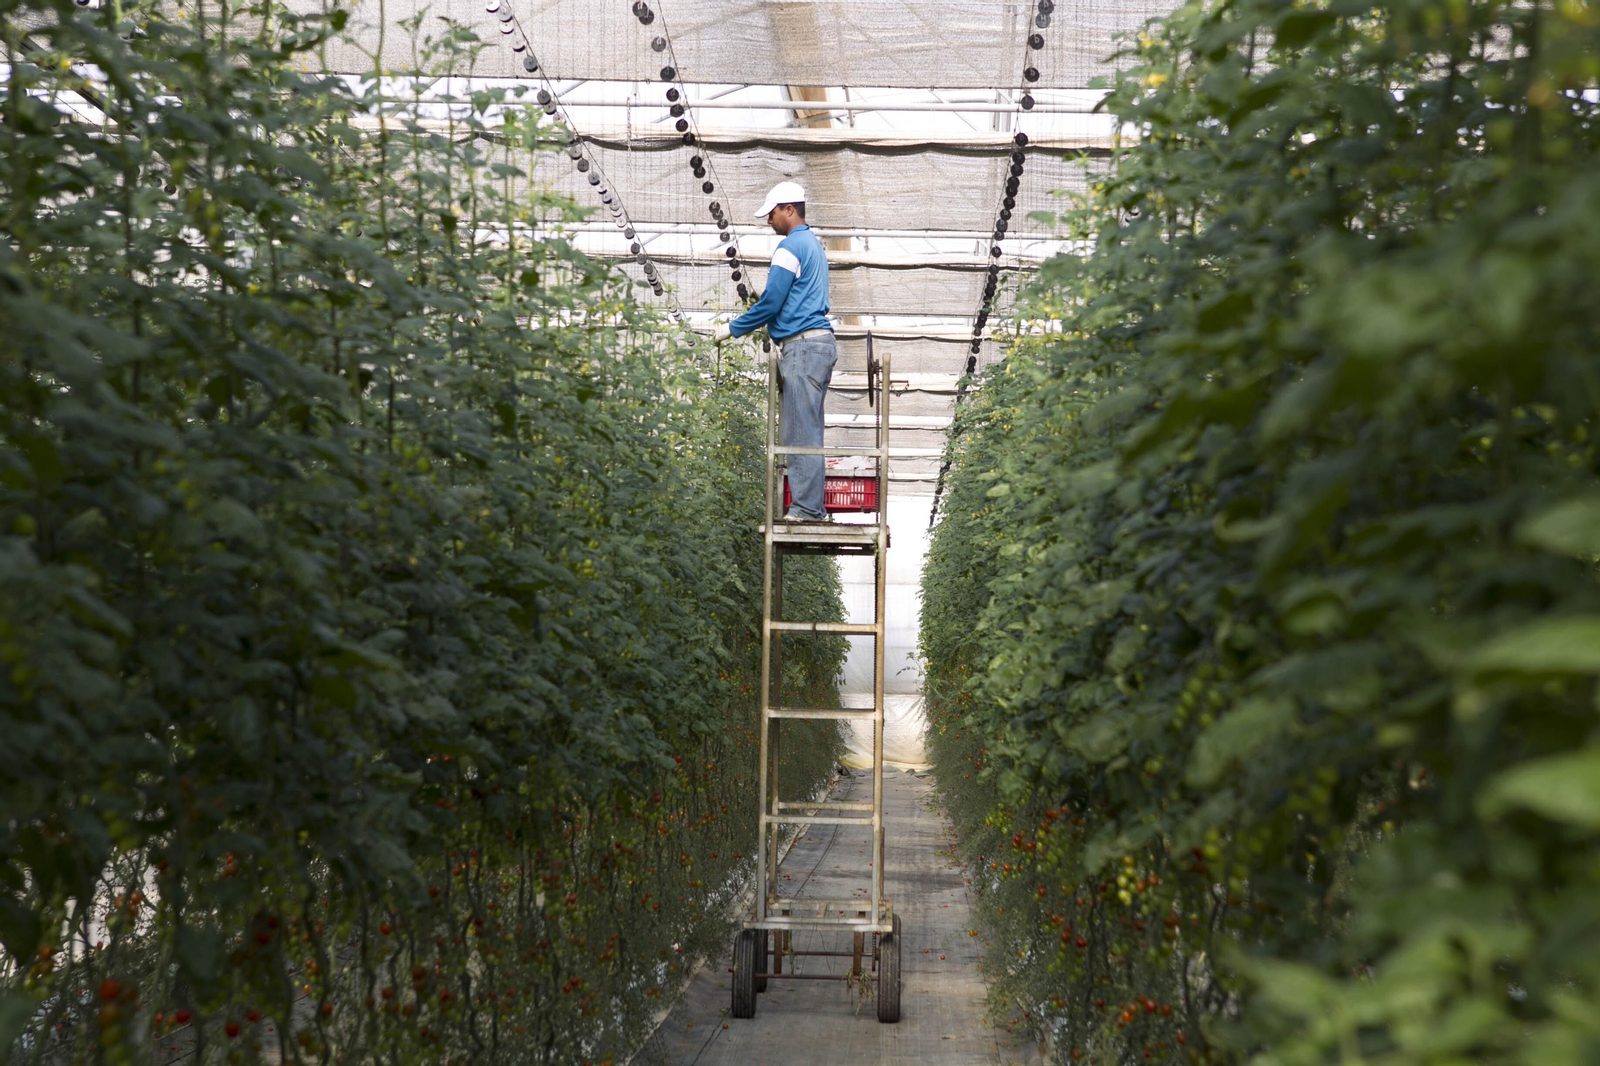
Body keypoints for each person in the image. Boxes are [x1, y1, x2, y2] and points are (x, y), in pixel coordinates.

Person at [713, 181, 835, 522]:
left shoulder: (790, 247)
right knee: (807, 426)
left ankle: (807, 509)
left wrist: (731, 329)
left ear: (789, 209)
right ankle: (812, 506)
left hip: (803, 346)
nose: (770, 221)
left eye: (773, 214)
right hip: (818, 346)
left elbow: (771, 302)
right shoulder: (813, 245)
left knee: (800, 430)